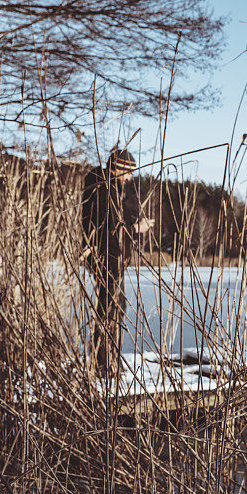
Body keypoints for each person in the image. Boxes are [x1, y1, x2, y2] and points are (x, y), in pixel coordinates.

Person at [81, 148, 154, 376]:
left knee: (114, 306)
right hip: (107, 257)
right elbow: (110, 230)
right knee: (111, 307)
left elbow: (111, 221)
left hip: (107, 256)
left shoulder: (106, 188)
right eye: (128, 171)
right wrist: (136, 228)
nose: (130, 177)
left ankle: (107, 361)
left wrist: (131, 223)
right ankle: (103, 365)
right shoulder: (105, 188)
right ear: (119, 167)